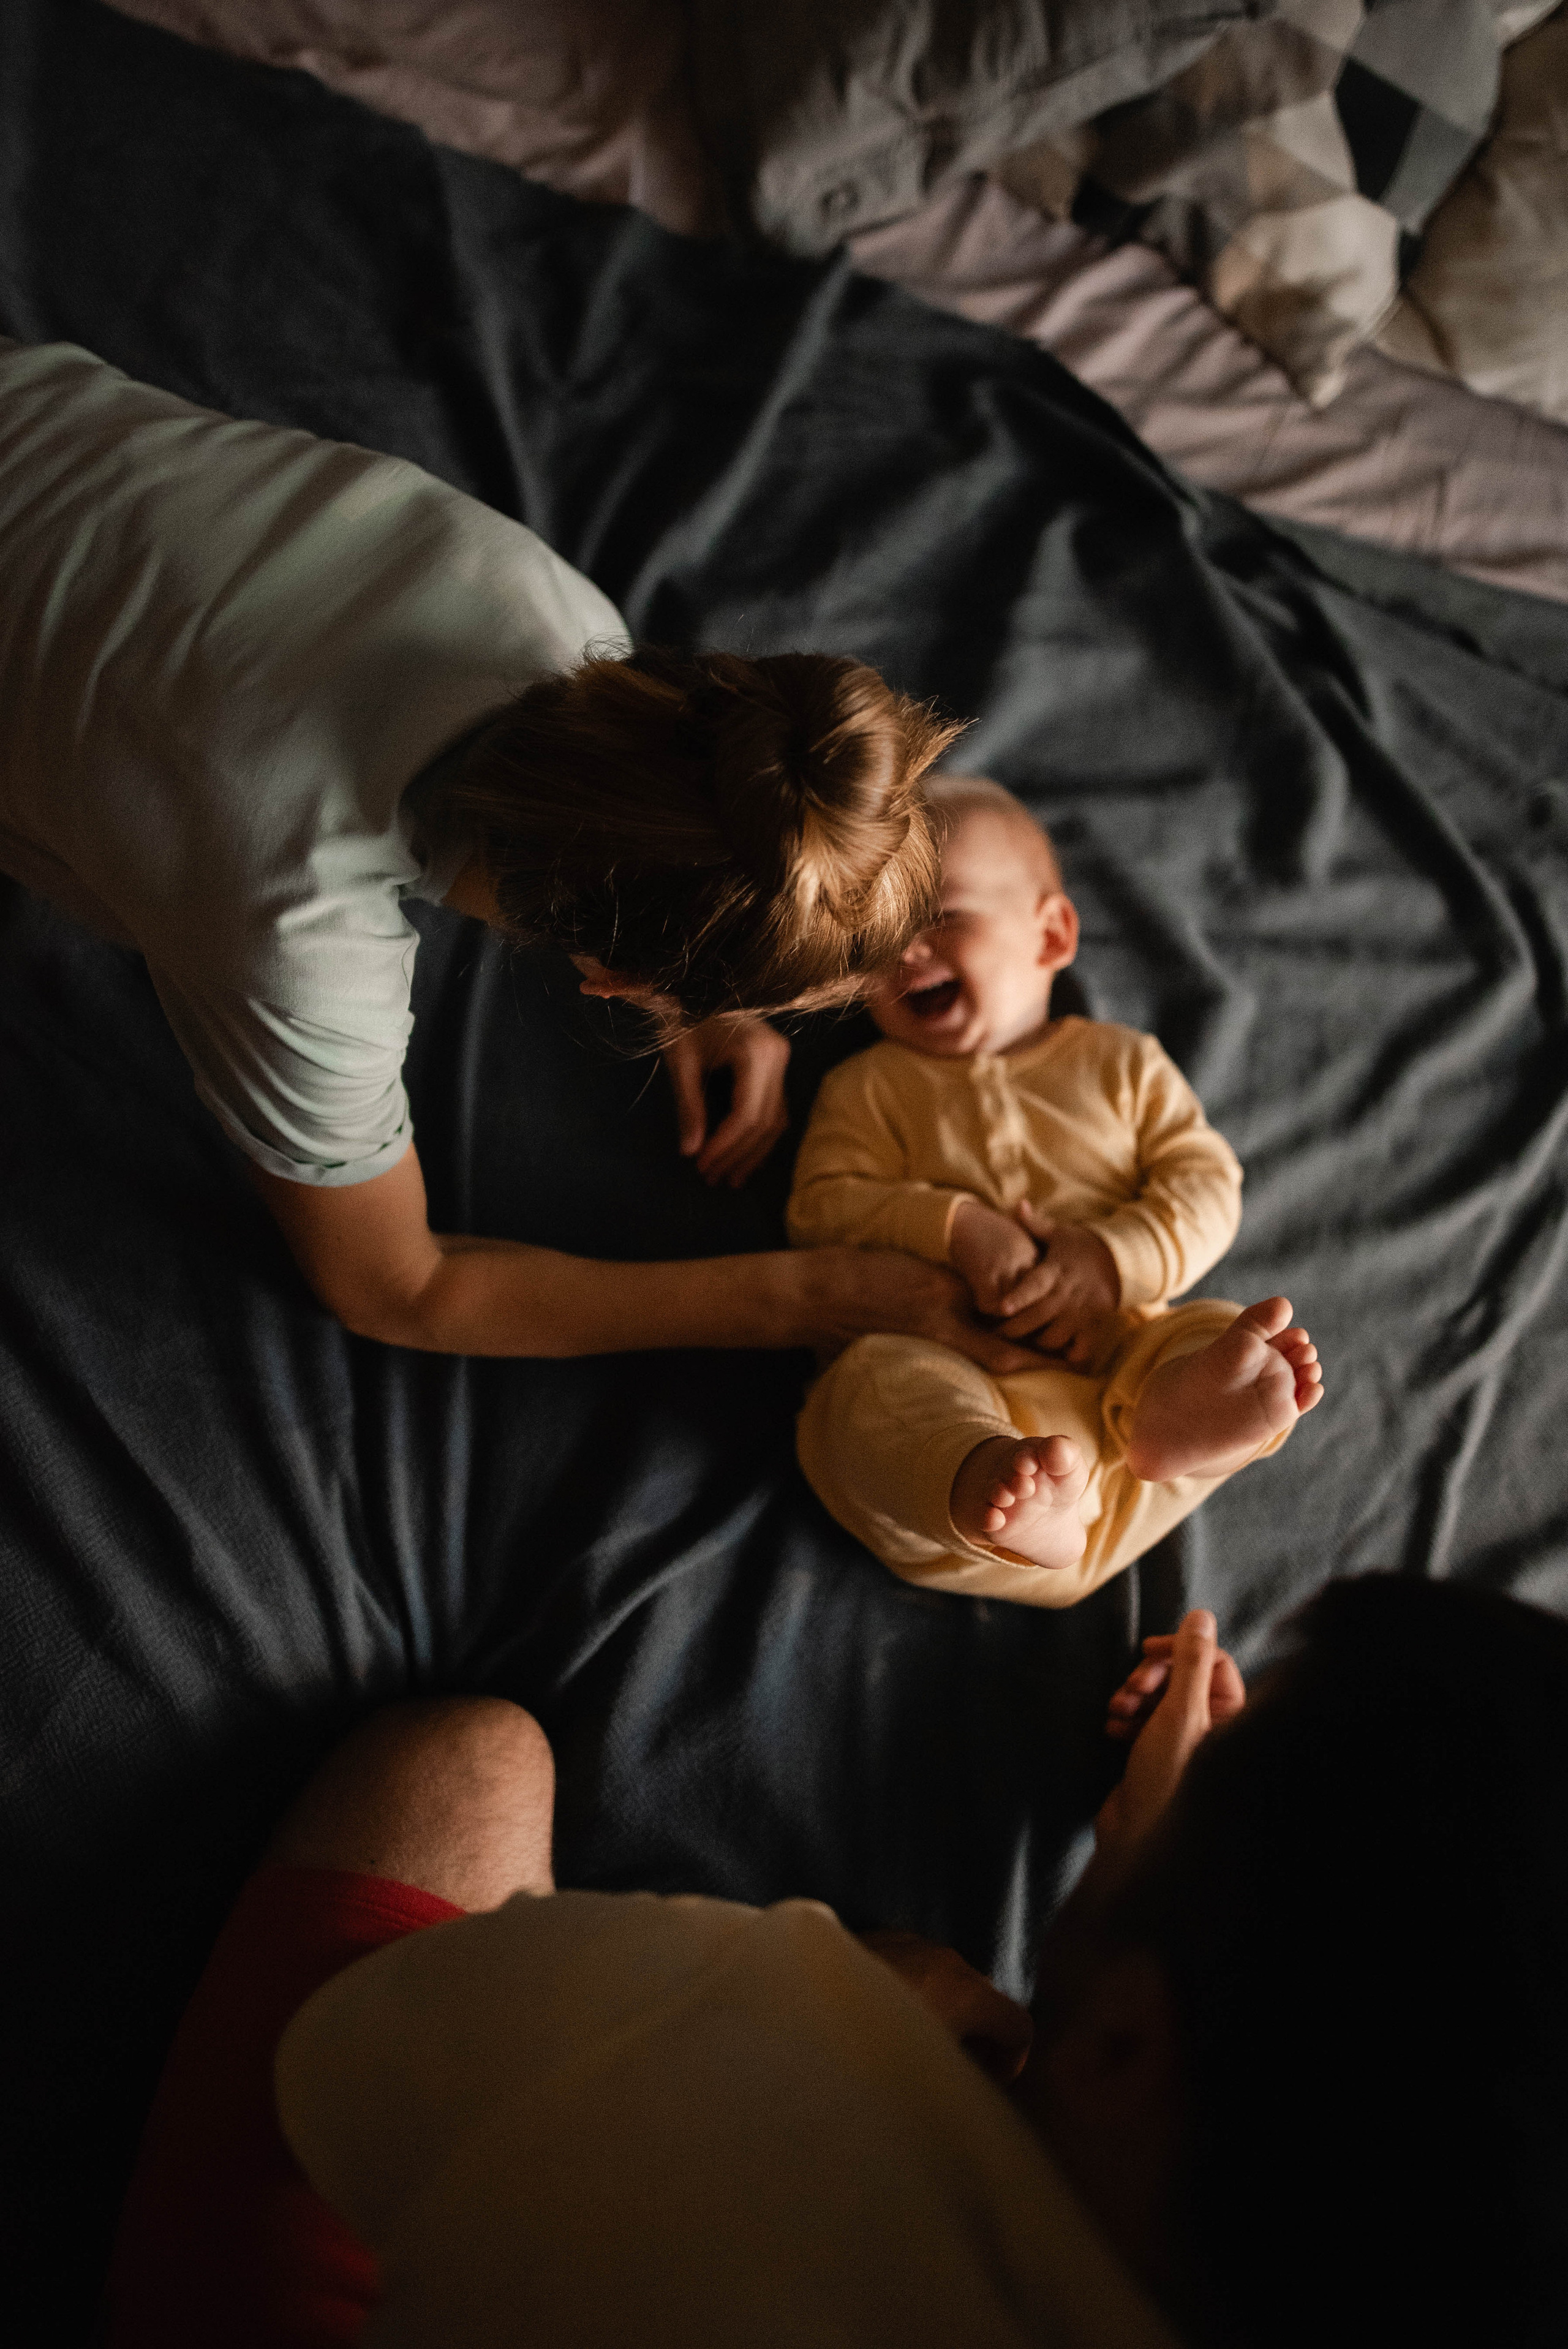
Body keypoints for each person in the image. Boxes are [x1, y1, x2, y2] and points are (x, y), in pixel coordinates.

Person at [103, 1574, 1568, 2347]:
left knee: (461, 1761)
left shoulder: (764, 2051)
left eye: (1213, 1790)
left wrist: (865, 2009)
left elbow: (366, 2067)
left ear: (1128, 2048)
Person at [0, 337, 1034, 1376]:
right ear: (614, 983)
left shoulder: (558, 613)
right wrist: (808, 1297)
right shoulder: (296, 943)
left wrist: (707, 969)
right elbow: (397, 1289)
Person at [787, 777, 1323, 1604]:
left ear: (1051, 934)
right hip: (949, 1380)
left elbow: (1207, 1183)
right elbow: (821, 1208)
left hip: (1122, 1375)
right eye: (876, 933)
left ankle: (1183, 1423)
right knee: (866, 1393)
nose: (905, 952)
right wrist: (956, 1226)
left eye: (940, 917)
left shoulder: (1122, 1064)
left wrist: (1112, 1260)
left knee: (1213, 1331)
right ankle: (985, 1474)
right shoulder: (869, 1087)